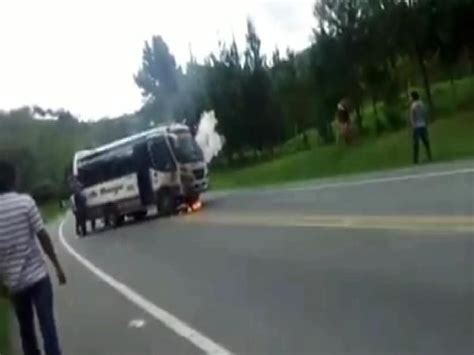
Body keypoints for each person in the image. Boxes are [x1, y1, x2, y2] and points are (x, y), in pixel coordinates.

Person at [0, 160, 66, 355]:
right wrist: (57, 266)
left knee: (26, 331)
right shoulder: (25, 202)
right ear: (13, 179)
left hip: (15, 284)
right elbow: (43, 236)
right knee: (48, 327)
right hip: (38, 278)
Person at [410, 91, 432, 164]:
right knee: (425, 141)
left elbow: (413, 117)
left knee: (416, 143)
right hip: (423, 125)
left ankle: (415, 160)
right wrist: (426, 122)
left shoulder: (413, 105)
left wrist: (413, 125)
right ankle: (429, 156)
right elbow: (425, 114)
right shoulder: (422, 104)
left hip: (416, 126)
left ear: (413, 97)